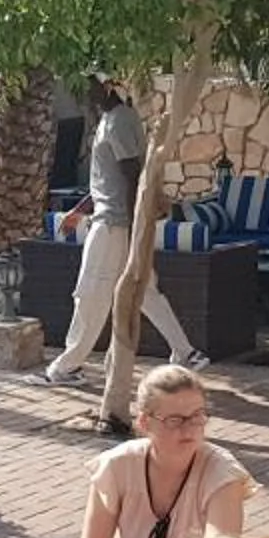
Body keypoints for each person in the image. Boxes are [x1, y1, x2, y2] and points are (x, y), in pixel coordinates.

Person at [39, 364, 253, 538]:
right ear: (144, 422)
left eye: (197, 417)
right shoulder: (116, 465)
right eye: (174, 420)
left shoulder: (222, 472)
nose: (189, 429)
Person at [43, 78, 202, 386]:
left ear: (107, 87)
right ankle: (186, 352)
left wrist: (133, 227)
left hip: (114, 225)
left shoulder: (118, 122)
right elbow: (109, 181)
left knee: (90, 294)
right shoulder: (113, 120)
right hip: (115, 221)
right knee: (145, 291)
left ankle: (67, 367)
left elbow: (131, 175)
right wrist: (79, 211)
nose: (85, 94)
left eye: (90, 87)